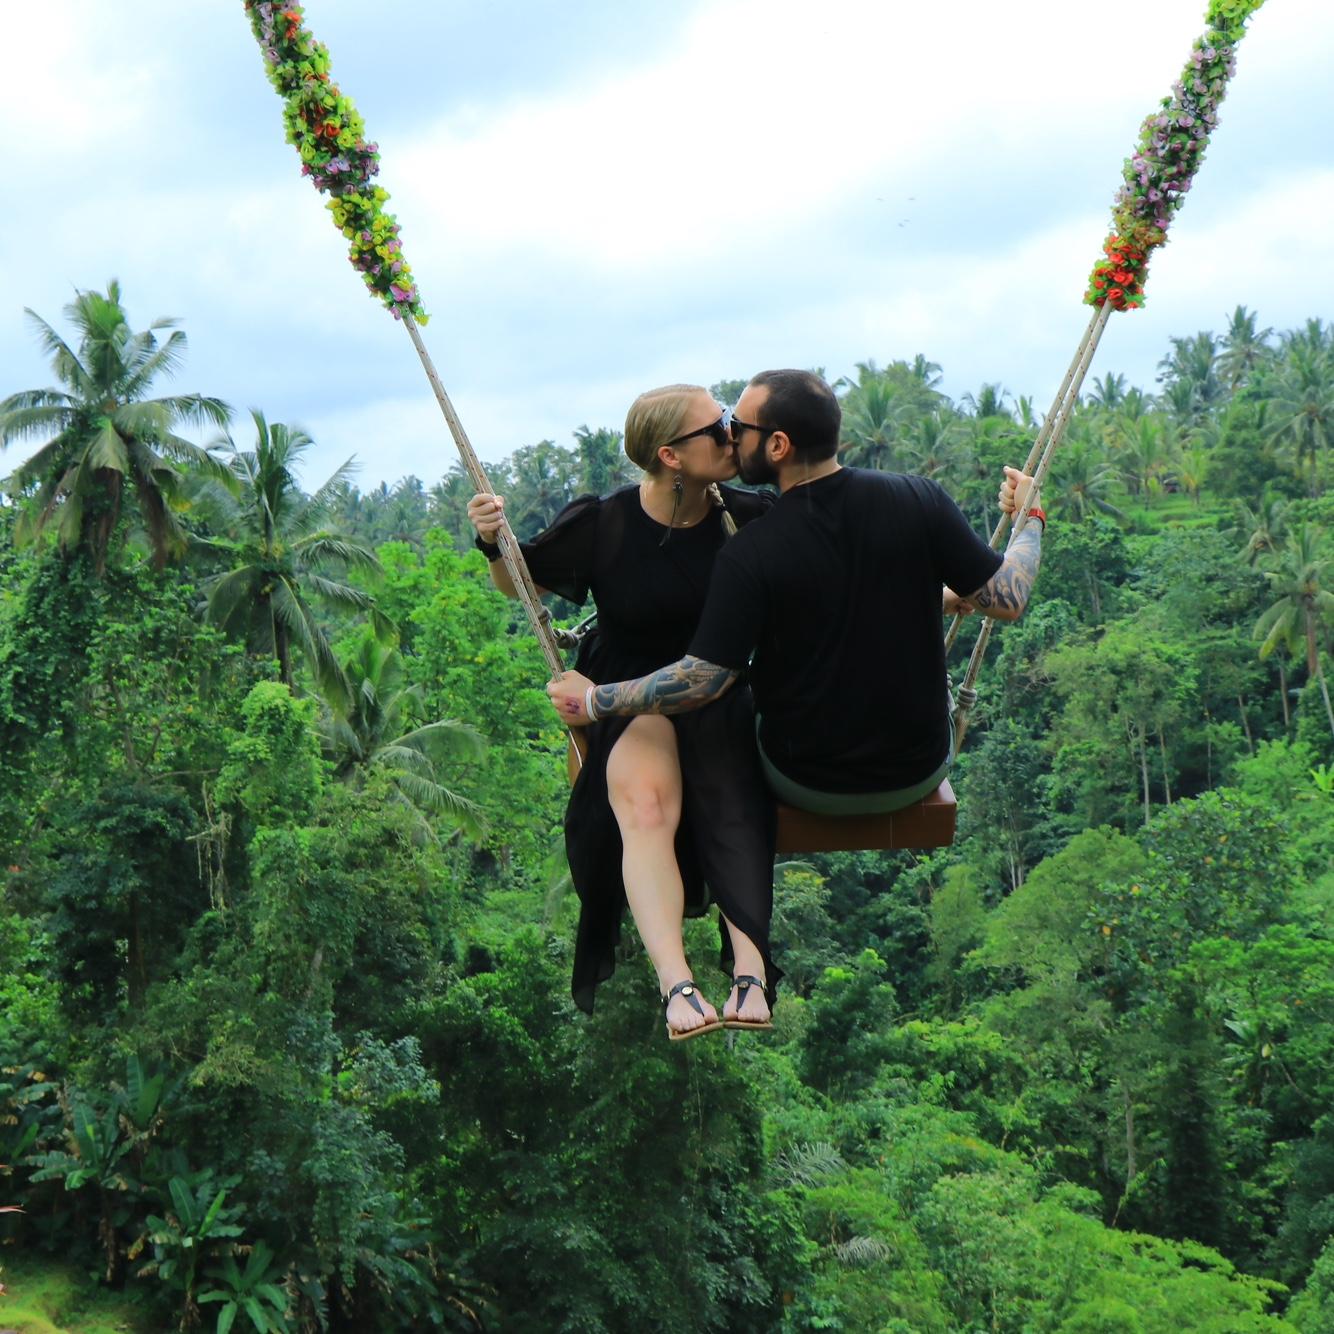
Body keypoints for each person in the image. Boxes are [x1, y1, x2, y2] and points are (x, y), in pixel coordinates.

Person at [547, 368, 1043, 816]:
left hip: (805, 779)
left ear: (778, 446)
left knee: (720, 732)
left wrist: (594, 700)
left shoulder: (751, 547)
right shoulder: (920, 498)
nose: (728, 437)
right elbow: (1008, 598)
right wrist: (1032, 521)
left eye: (736, 428)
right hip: (919, 770)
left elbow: (704, 679)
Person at [468, 383, 780, 1041]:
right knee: (643, 804)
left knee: (728, 792)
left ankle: (751, 974)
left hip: (718, 690)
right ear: (670, 455)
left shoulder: (746, 517)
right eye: (720, 426)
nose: (735, 435)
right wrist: (494, 542)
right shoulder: (604, 524)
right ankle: (680, 987)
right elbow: (519, 580)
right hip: (629, 694)